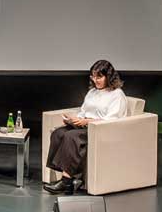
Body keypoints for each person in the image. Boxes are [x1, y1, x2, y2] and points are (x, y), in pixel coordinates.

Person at [43, 59, 128, 194]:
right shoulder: (92, 92)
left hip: (100, 130)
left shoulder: (117, 95)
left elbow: (112, 119)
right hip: (85, 126)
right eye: (93, 77)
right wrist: (74, 120)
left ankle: (66, 181)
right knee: (58, 133)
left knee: (71, 137)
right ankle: (70, 179)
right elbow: (83, 111)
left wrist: (88, 122)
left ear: (109, 76)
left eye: (99, 77)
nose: (95, 80)